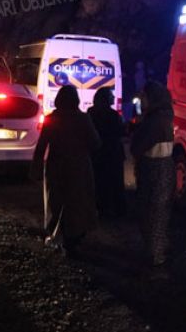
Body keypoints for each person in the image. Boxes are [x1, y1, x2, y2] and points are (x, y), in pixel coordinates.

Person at [31, 85, 101, 256]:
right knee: (78, 201)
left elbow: (41, 146)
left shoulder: (51, 119)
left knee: (57, 201)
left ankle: (57, 235)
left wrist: (36, 169)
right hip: (79, 166)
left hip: (56, 165)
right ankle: (75, 236)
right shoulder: (83, 119)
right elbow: (96, 143)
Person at [130, 81, 175, 268]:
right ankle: (157, 251)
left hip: (154, 169)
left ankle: (154, 257)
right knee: (159, 212)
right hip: (163, 168)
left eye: (144, 96)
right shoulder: (164, 116)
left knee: (152, 212)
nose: (142, 99)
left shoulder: (154, 121)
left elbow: (137, 147)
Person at [88, 86, 126, 218]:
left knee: (98, 182)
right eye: (111, 95)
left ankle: (98, 207)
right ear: (106, 98)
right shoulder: (113, 115)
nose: (113, 97)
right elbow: (121, 132)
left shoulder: (91, 112)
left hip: (97, 153)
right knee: (113, 183)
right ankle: (113, 209)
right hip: (112, 153)